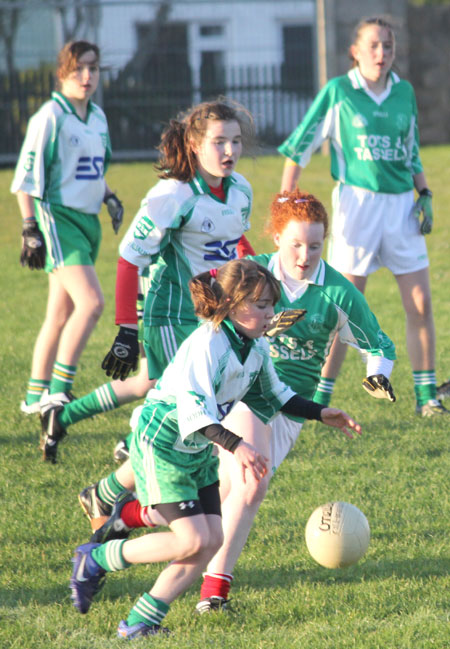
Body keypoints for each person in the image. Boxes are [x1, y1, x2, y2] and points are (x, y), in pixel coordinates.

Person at [76, 190, 387, 612]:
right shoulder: (247, 278)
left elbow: (376, 344)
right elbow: (199, 298)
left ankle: (123, 510)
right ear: (276, 237)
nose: (305, 254)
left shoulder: (334, 294)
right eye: (296, 243)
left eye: (315, 245)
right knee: (244, 483)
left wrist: (371, 378)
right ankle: (210, 592)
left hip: (281, 399)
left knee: (222, 496)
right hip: (230, 397)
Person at [39, 98, 256, 463]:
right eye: (219, 141)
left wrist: (254, 276)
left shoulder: (241, 190)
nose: (230, 150)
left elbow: (236, 240)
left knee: (151, 384)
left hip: (214, 309)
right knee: (182, 389)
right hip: (170, 309)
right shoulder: (174, 195)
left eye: (235, 141)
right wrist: (126, 328)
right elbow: (128, 259)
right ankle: (131, 448)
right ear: (194, 144)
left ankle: (63, 417)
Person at [278, 16, 448, 417]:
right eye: (373, 46)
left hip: (401, 209)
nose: (382, 54)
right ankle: (319, 400)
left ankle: (427, 398)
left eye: (388, 46)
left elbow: (412, 151)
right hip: (357, 207)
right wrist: (288, 201)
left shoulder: (404, 92)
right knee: (341, 310)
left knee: (421, 304)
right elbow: (299, 146)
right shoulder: (339, 91)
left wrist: (424, 191)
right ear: (355, 52)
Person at [11, 40, 124, 460]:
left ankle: (34, 394)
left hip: (87, 222)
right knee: (92, 303)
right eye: (79, 69)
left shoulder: (96, 116)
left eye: (93, 68)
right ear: (63, 72)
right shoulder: (50, 117)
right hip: (57, 219)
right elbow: (26, 177)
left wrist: (110, 197)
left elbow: (94, 172)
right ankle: (58, 396)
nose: (87, 76)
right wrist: (29, 228)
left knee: (58, 313)